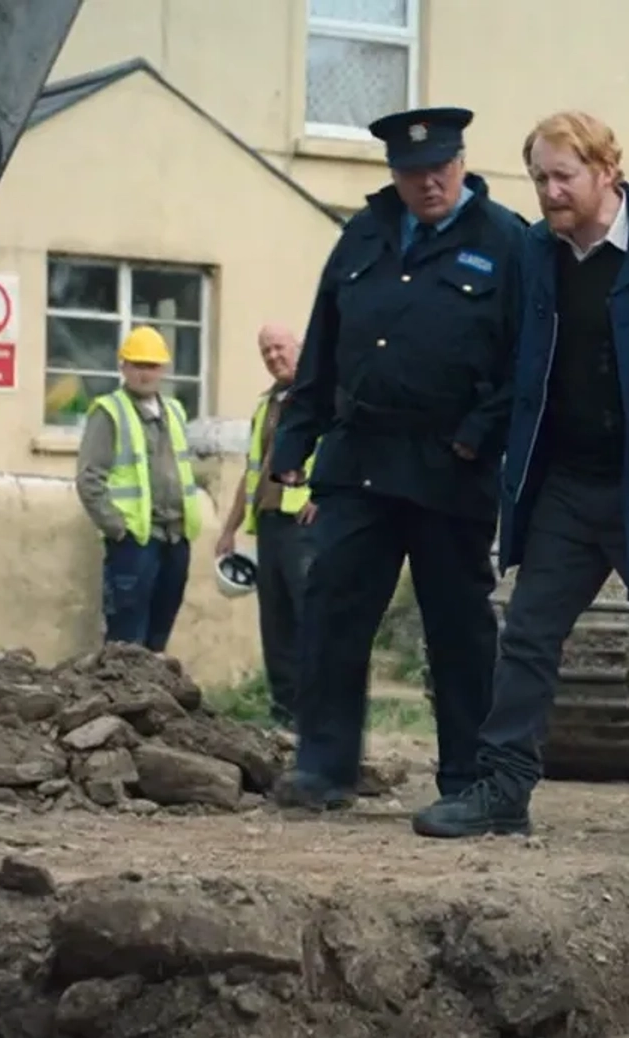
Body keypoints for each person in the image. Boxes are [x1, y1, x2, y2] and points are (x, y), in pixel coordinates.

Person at [410, 111, 629, 857]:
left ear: (606, 173)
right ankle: (503, 792)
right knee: (526, 634)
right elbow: (515, 354)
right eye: (539, 178)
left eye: (563, 176)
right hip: (566, 480)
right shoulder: (535, 254)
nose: (549, 192)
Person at [266, 106, 526, 810]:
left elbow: (525, 364)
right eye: (412, 174)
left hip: (451, 461)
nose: (427, 184)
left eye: (439, 169)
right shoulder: (364, 234)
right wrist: (295, 441)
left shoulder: (506, 243)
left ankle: (468, 777)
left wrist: (480, 432)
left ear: (462, 164)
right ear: (394, 175)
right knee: (332, 609)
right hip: (361, 456)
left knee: (458, 628)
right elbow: (323, 345)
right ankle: (325, 770)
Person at [74, 325, 202, 653]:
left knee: (158, 641)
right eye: (137, 365)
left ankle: (152, 704)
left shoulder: (174, 410)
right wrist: (118, 530)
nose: (145, 373)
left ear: (163, 369)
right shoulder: (109, 411)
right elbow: (90, 480)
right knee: (125, 642)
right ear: (124, 367)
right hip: (134, 543)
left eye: (152, 365)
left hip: (175, 538)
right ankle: (118, 705)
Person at [215, 322, 317, 729]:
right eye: (266, 352)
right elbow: (252, 473)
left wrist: (323, 496)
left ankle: (317, 716)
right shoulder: (266, 404)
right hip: (271, 524)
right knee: (275, 624)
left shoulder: (321, 395)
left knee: (309, 620)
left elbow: (347, 449)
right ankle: (284, 713)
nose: (274, 357)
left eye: (279, 348)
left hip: (305, 526)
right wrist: (229, 528)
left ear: (300, 347)